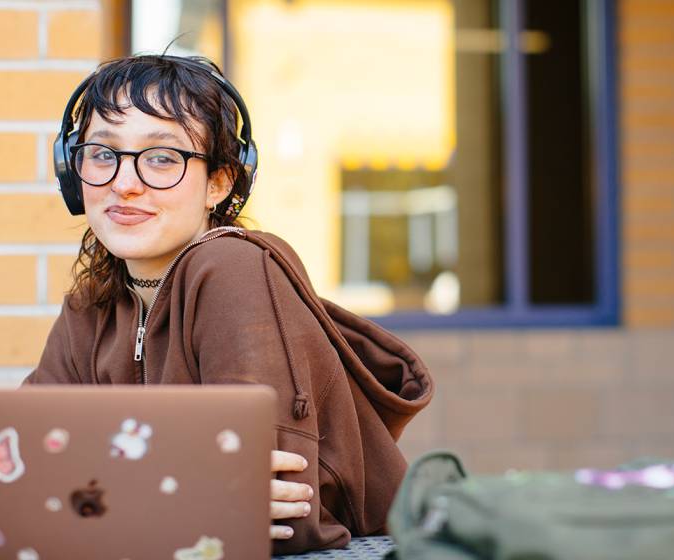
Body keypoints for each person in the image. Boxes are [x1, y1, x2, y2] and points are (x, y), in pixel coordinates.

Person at [23, 53, 434, 555]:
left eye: (162, 158)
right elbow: (25, 466)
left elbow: (277, 515)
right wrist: (174, 493)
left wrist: (99, 489)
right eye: (102, 154)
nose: (124, 183)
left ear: (219, 183)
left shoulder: (232, 270)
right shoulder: (93, 304)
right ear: (72, 170)